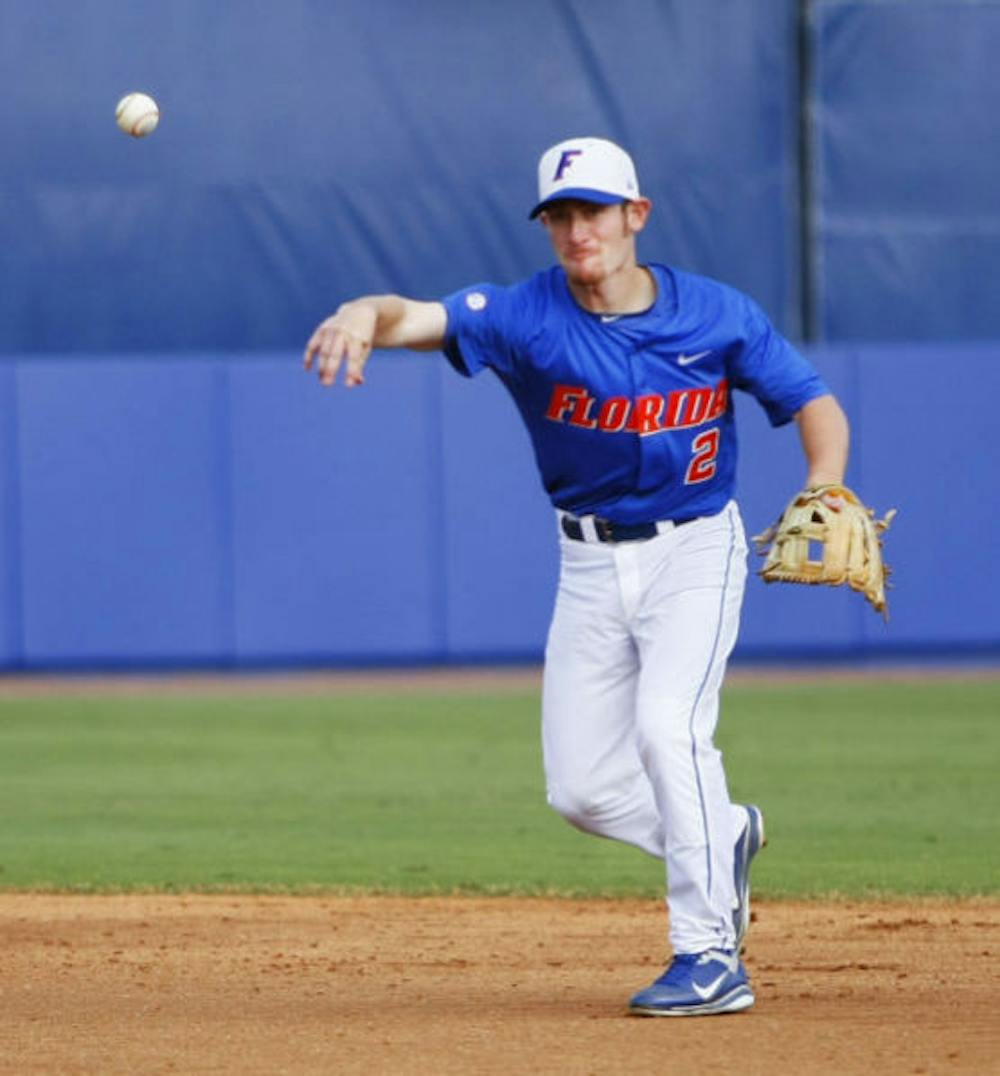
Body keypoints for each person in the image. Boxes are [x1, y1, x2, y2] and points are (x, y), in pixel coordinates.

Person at [303, 136, 849, 1016]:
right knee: (583, 792)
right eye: (559, 214)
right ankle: (725, 833)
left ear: (637, 215)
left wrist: (824, 488)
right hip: (587, 561)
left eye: (592, 210)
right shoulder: (524, 316)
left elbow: (813, 404)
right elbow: (412, 315)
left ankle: (710, 956)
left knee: (669, 732)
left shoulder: (715, 314)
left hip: (695, 546)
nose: (575, 229)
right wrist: (362, 312)